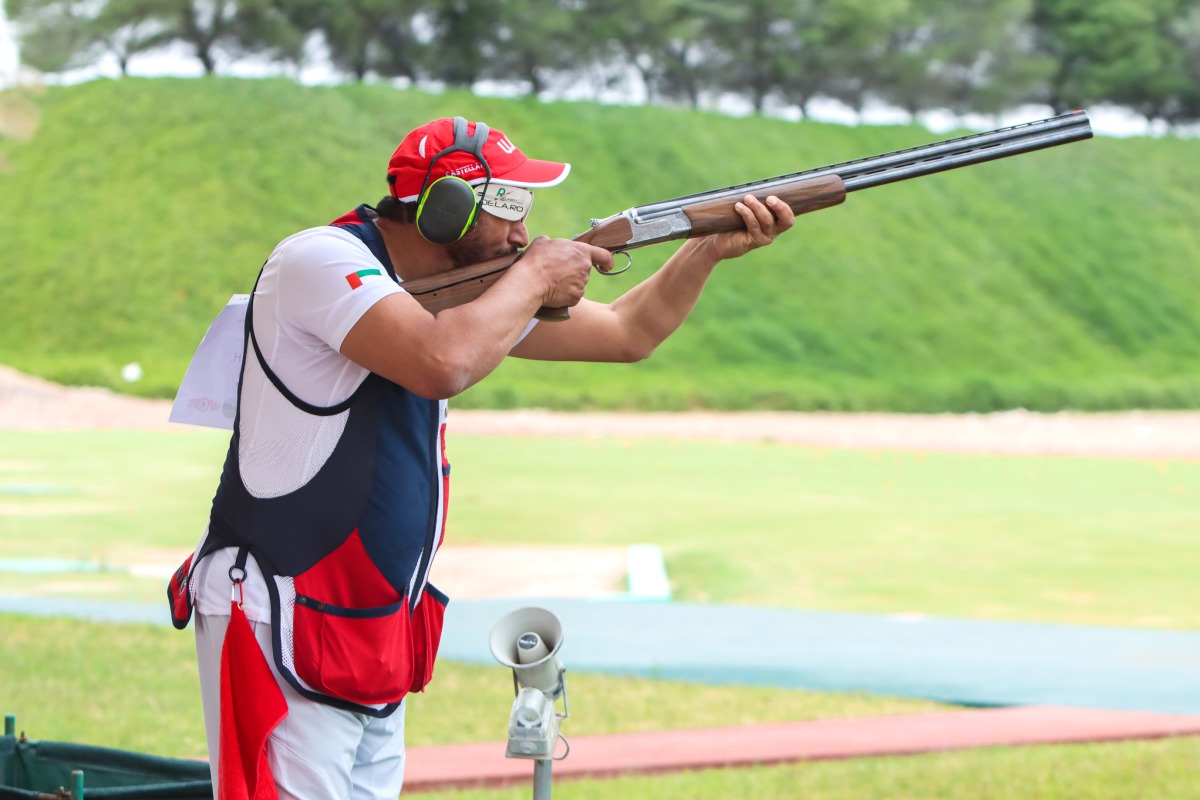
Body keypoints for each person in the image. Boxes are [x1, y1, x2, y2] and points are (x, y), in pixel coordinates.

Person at [167, 115, 795, 800]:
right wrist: (532, 279)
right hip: (280, 608)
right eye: (509, 208)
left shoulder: (470, 296)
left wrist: (702, 250)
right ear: (447, 207)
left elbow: (628, 331)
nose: (524, 233)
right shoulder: (317, 259)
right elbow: (442, 362)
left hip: (366, 622)